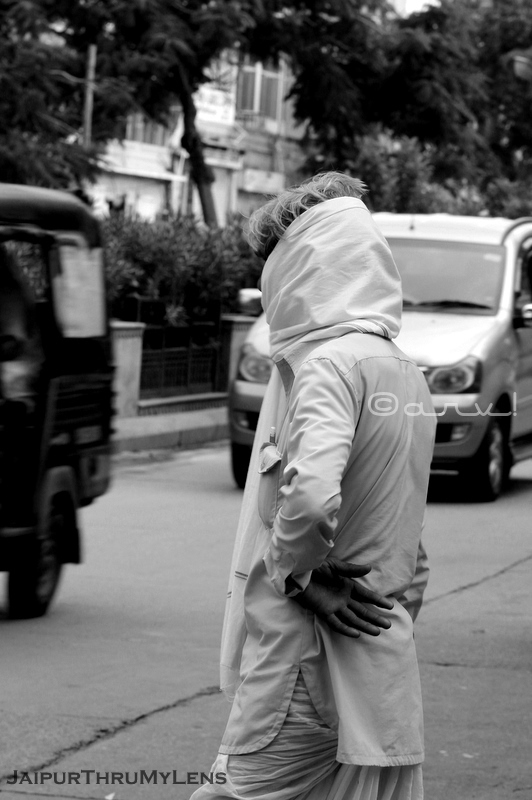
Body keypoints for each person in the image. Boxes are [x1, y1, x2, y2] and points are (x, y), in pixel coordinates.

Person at [192, 172, 436, 800]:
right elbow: (411, 539)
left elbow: (307, 497)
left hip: (303, 667)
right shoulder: (403, 371)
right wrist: (389, 617)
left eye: (272, 261)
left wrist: (301, 577)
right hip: (375, 665)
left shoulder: (328, 367)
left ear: (301, 265)